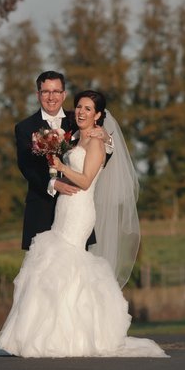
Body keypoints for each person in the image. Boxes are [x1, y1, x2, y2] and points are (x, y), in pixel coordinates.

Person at [0, 90, 168, 358]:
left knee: (68, 263)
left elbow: (87, 180)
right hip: (64, 208)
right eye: (79, 107)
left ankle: (74, 335)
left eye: (88, 109)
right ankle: (47, 334)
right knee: (53, 266)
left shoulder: (98, 141)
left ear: (99, 115)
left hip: (79, 210)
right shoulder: (75, 136)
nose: (81, 112)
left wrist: (61, 167)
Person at [15, 70, 112, 250]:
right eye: (46, 92)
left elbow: (100, 156)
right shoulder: (24, 128)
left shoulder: (78, 119)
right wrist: (53, 183)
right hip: (42, 210)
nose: (51, 97)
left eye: (56, 91)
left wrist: (106, 138)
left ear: (64, 94)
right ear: (38, 94)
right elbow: (26, 167)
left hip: (75, 210)